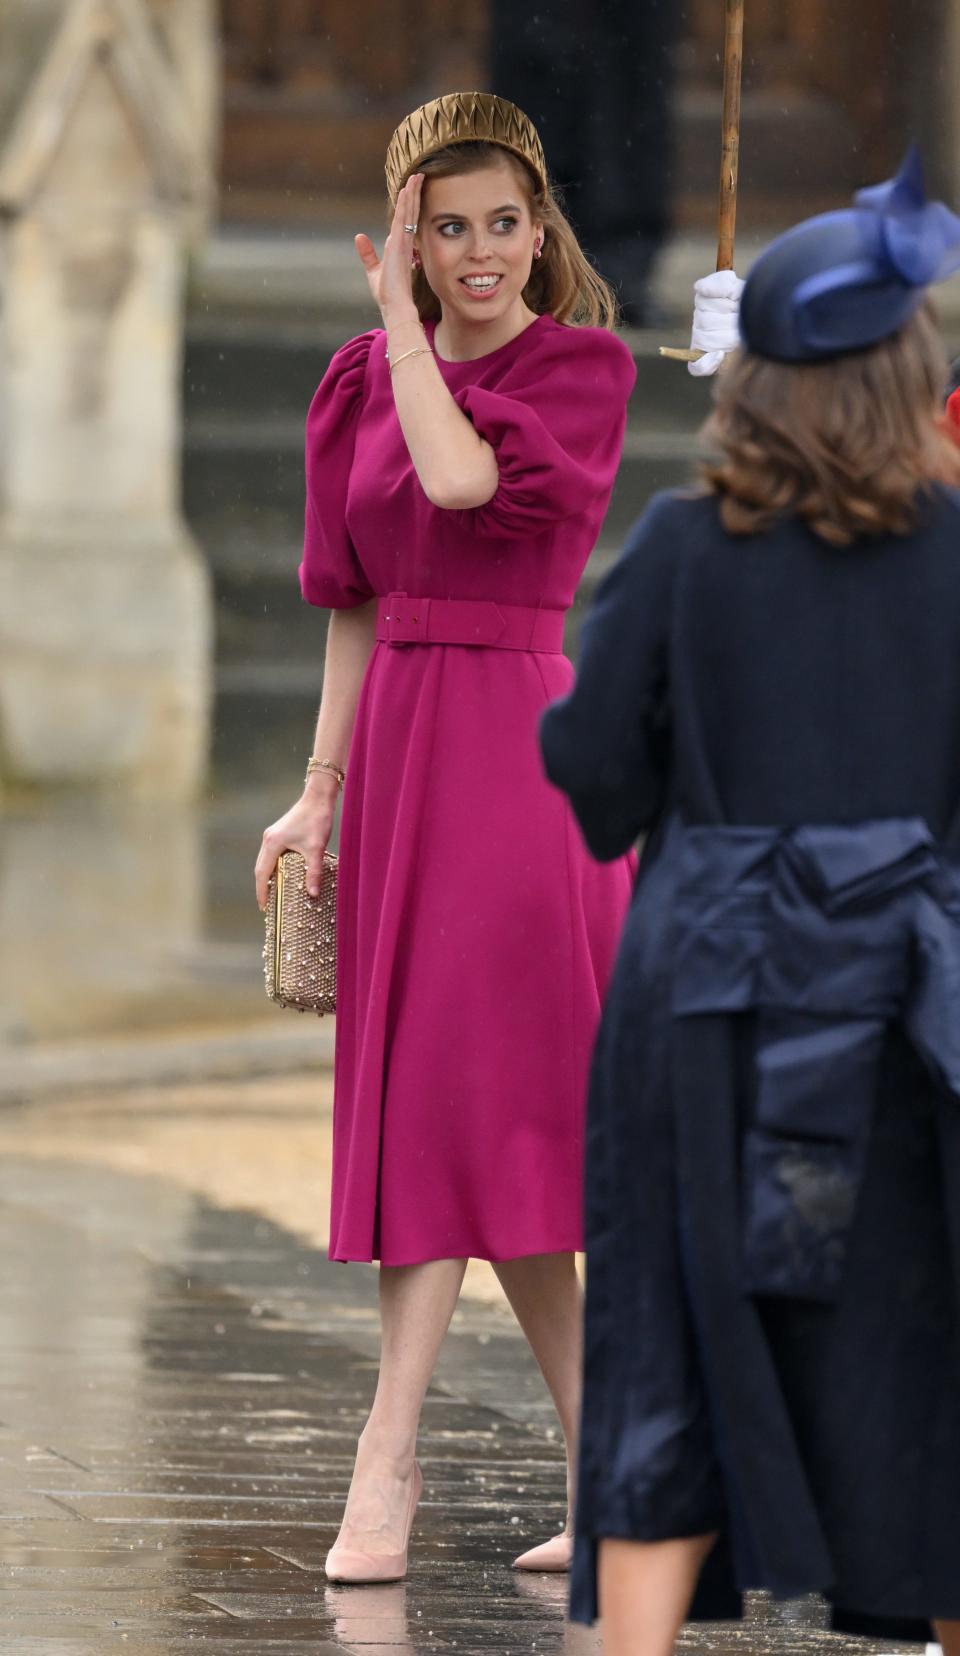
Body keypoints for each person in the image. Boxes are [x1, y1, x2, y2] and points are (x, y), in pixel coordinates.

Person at [540, 147, 960, 1656]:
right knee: (926, 1350)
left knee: (676, 1340)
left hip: (708, 999)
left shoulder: (677, 550)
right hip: (904, 1013)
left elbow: (590, 769)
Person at [254, 90, 637, 1583]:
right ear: (406, 236)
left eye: (501, 223)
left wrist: (407, 332)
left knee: (466, 1113)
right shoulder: (355, 382)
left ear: (540, 231)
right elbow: (355, 598)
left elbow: (468, 483)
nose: (479, 253)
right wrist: (320, 789)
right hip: (405, 752)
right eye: (445, 228)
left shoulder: (584, 368)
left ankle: (386, 1458)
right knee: (482, 1126)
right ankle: (620, 1463)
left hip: (525, 762)